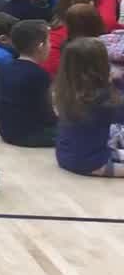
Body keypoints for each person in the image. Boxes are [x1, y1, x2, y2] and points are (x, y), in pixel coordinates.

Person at [53, 38, 124, 178]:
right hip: (93, 162)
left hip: (65, 154)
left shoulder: (61, 90)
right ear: (101, 65)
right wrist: (117, 83)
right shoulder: (103, 97)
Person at [0, 20, 58, 147]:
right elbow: (46, 114)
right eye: (49, 41)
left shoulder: (6, 66)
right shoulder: (39, 74)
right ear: (40, 47)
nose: (50, 45)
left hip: (5, 129)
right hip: (29, 135)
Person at [39, 0, 94, 77]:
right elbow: (50, 68)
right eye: (88, 2)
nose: (92, 4)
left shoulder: (76, 29)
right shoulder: (59, 35)